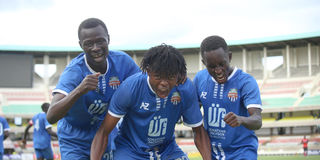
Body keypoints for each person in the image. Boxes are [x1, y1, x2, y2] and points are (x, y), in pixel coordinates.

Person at [91, 44, 211, 160]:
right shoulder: (130, 88)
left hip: (167, 150)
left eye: (170, 77)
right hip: (130, 150)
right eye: (158, 76)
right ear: (148, 71)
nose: (164, 83)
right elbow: (103, 132)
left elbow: (199, 132)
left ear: (178, 75)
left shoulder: (185, 89)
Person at [46, 18, 140, 160]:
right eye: (88, 43)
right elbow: (51, 116)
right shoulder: (73, 72)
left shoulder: (123, 62)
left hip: (105, 133)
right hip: (74, 139)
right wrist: (79, 90)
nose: (95, 47)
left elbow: (142, 88)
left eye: (100, 41)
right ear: (81, 45)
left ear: (108, 39)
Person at [193, 35, 262, 160]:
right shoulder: (200, 79)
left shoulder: (246, 81)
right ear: (204, 63)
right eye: (212, 67)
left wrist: (241, 119)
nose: (218, 71)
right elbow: (194, 119)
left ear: (229, 57)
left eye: (221, 64)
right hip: (212, 153)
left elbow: (257, 120)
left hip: (242, 152)